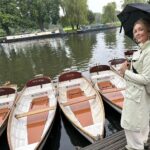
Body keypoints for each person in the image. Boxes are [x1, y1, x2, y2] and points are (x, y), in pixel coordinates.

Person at [119, 18, 150, 150]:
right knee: (140, 124)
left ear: (148, 31)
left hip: (138, 96)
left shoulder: (148, 52)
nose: (137, 33)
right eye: (135, 31)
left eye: (140, 29)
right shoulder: (142, 50)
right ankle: (142, 144)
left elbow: (146, 79)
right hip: (135, 94)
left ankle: (136, 147)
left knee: (132, 126)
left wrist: (125, 72)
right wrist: (130, 66)